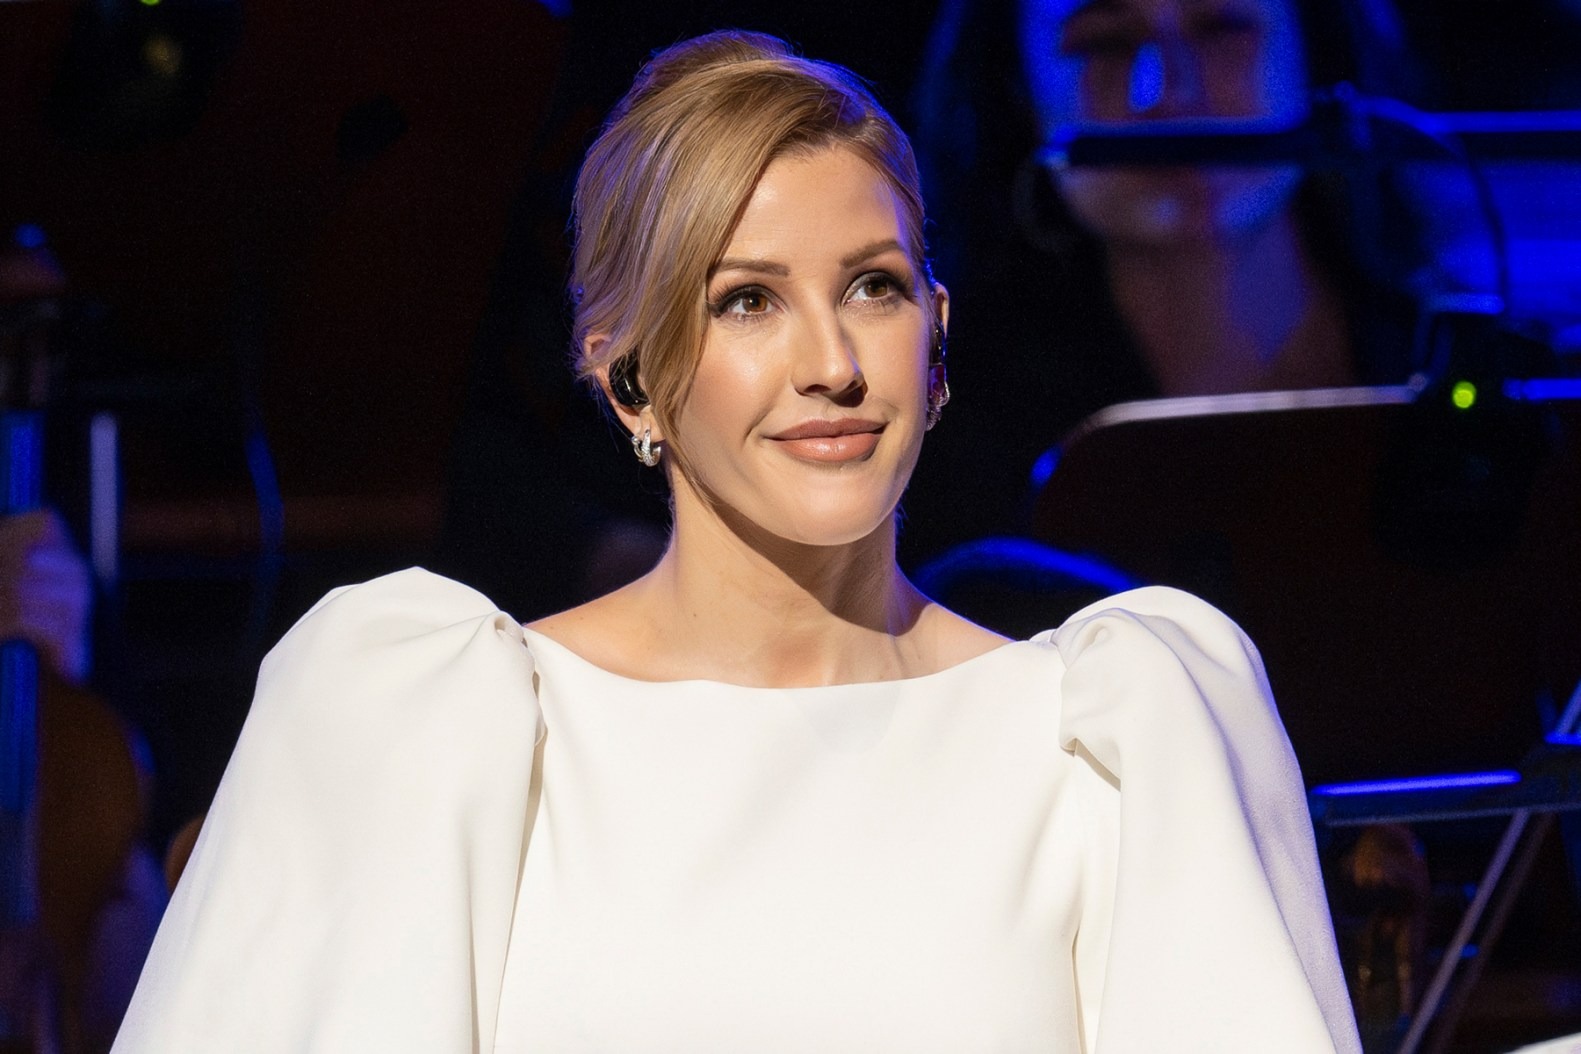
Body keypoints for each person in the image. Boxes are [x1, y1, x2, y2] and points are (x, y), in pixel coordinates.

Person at [112, 31, 1359, 1051]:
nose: (831, 364)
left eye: (871, 287)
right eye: (746, 300)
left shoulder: (1112, 740)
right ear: (632, 379)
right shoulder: (445, 724)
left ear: (934, 334)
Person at [899, 0, 1435, 566]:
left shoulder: (1453, 364)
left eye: (1222, 28)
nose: (1160, 93)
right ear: (1019, 92)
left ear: (1318, 58)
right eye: (1103, 43)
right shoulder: (942, 421)